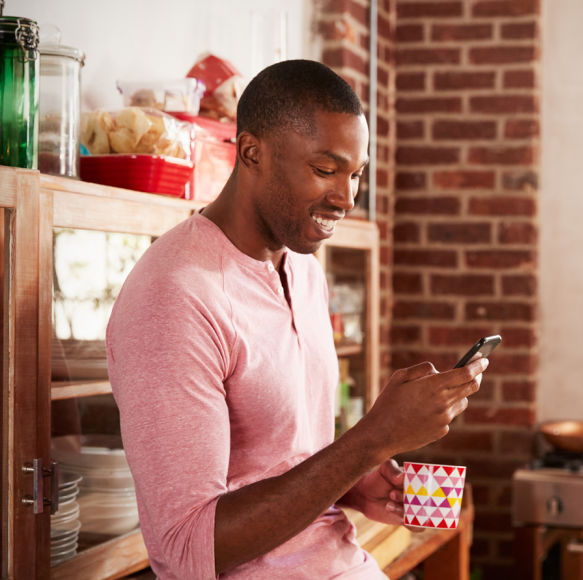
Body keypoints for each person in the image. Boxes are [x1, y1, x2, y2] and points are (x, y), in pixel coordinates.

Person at [106, 59, 487, 579]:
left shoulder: (304, 271)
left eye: (356, 174)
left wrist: (357, 479)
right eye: (325, 170)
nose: (346, 197)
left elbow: (282, 459)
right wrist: (371, 439)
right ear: (251, 153)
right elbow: (186, 547)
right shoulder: (176, 295)